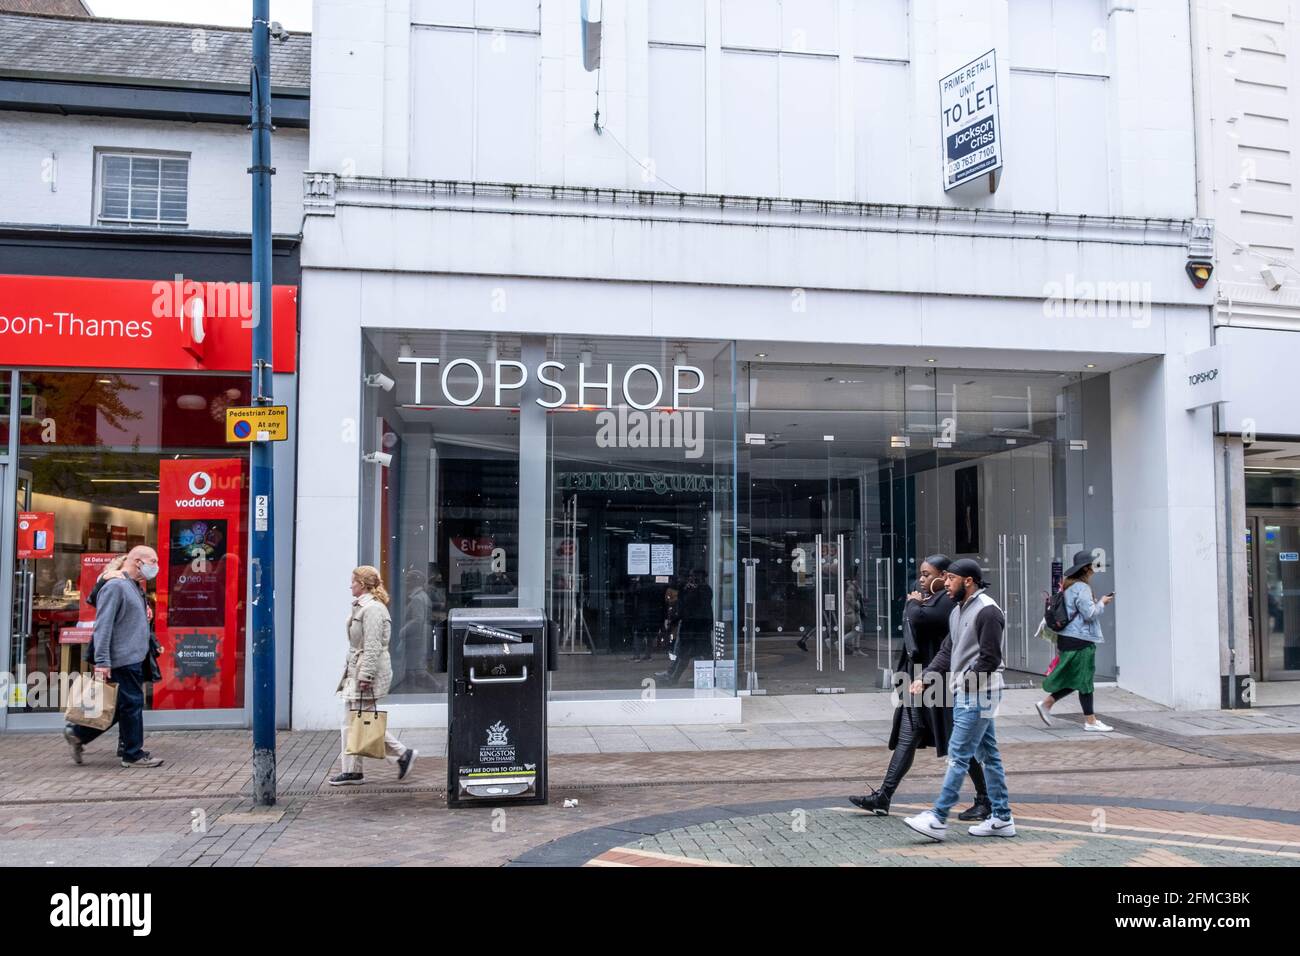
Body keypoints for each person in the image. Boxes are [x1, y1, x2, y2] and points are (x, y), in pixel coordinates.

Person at [850, 555, 990, 820]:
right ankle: (884, 796)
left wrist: (913, 604)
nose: (922, 580)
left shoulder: (946, 601)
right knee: (907, 736)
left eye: (928, 575)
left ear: (944, 575)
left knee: (956, 740)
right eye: (921, 574)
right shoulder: (934, 599)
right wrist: (915, 605)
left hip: (939, 681)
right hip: (919, 679)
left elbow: (922, 618)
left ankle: (985, 798)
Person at [903, 558, 1015, 841]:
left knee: (958, 754)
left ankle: (938, 818)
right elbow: (947, 650)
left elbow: (990, 658)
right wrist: (927, 676)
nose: (945, 584)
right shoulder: (958, 611)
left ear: (968, 581)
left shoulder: (988, 611)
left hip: (980, 693)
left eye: (951, 579)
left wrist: (965, 683)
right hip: (970, 692)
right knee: (988, 755)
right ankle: (1002, 818)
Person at [63, 546, 164, 768]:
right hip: (122, 657)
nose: (156, 566)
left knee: (121, 706)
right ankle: (132, 754)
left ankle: (80, 734)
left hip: (133, 656)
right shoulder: (116, 586)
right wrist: (102, 662)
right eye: (153, 561)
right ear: (138, 562)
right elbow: (103, 626)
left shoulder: (133, 586)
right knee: (132, 704)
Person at [329, 566, 417, 786]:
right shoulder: (364, 607)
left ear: (363, 584)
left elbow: (372, 645)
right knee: (354, 721)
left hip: (365, 671)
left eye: (353, 581)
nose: (350, 585)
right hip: (357, 669)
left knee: (359, 721)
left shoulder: (373, 610)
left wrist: (366, 675)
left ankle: (400, 754)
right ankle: (354, 770)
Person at [1036, 549, 1115, 732]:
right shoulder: (1082, 588)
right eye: (1093, 566)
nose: (1095, 569)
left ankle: (1047, 704)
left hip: (1068, 639)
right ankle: (1090, 721)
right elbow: (1090, 614)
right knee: (1084, 680)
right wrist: (1102, 602)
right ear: (1086, 569)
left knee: (1076, 679)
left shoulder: (1069, 586)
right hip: (1080, 640)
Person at [655, 569, 711, 686]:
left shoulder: (701, 590)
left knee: (689, 653)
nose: (691, 579)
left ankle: (674, 677)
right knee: (687, 653)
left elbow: (687, 607)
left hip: (696, 626)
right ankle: (672, 675)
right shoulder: (695, 589)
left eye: (694, 577)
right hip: (694, 626)